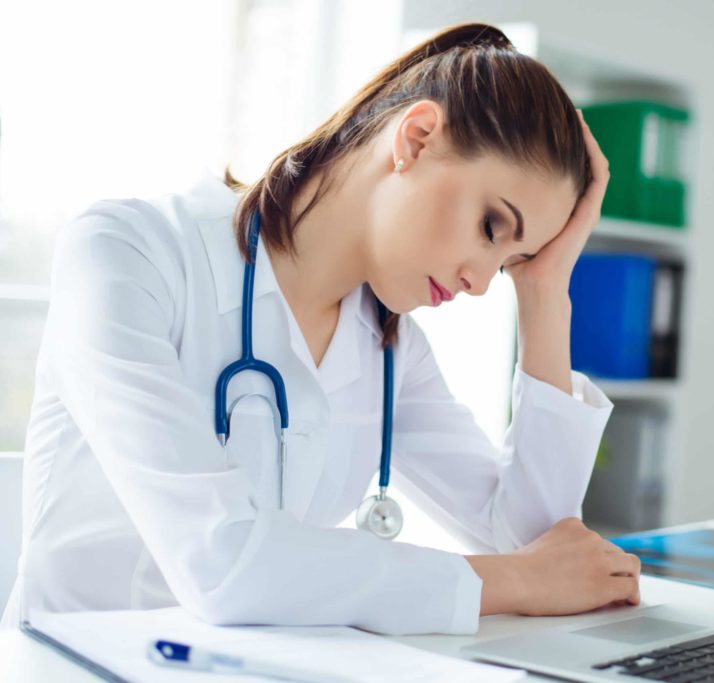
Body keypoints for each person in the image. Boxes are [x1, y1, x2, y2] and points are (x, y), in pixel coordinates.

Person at [1, 22, 642, 635]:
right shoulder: (129, 254)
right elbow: (219, 563)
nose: (480, 282)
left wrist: (545, 294)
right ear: (416, 138)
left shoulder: (390, 349)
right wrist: (515, 584)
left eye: (509, 263)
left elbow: (540, 546)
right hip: (78, 661)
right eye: (492, 228)